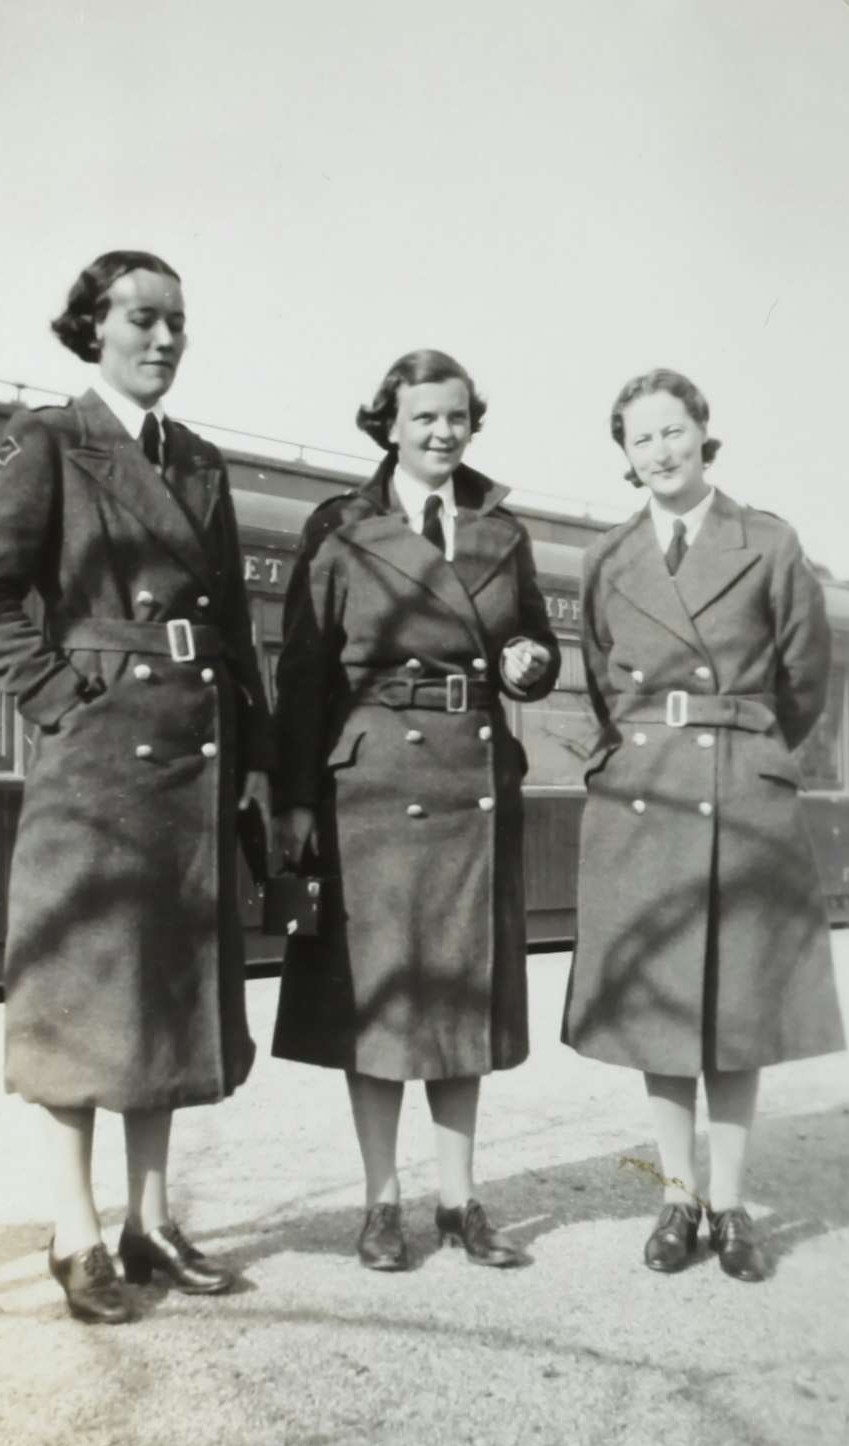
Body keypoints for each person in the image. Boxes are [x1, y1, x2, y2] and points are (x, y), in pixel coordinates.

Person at [0, 251, 275, 1323]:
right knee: (84, 994)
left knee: (170, 987)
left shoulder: (200, 460)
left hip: (192, 747)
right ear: (93, 327)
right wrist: (60, 701)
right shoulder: (51, 440)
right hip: (98, 760)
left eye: (179, 321)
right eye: (143, 318)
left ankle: (149, 1219)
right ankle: (73, 1230)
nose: (166, 338)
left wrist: (255, 757)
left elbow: (230, 625)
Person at [272, 349, 560, 1271]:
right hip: (372, 784)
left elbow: (535, 643)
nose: (443, 432)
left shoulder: (501, 531)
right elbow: (304, 669)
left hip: (472, 778)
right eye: (424, 416)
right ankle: (380, 1202)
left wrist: (529, 663)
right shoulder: (342, 526)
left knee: (460, 991)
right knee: (379, 996)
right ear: (387, 422)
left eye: (458, 417)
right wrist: (295, 799)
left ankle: (460, 1201)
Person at [561, 368, 845, 1282]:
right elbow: (608, 686)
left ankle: (730, 1203)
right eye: (641, 439)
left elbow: (804, 683)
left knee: (735, 1007)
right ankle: (675, 1194)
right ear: (625, 455)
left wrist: (744, 749)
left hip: (740, 791)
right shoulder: (608, 558)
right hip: (645, 797)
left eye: (674, 431)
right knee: (662, 1008)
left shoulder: (767, 541)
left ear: (702, 433)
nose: (661, 451)